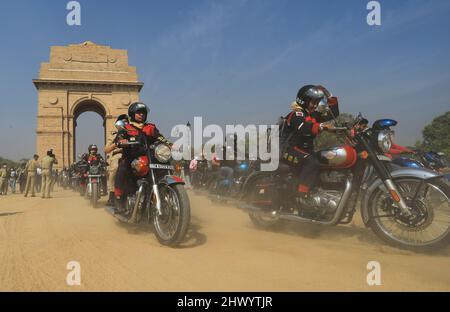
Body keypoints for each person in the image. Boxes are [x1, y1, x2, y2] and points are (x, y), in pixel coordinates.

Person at [105, 102, 171, 212]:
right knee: (121, 169)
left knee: (165, 166)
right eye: (138, 112)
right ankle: (119, 199)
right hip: (131, 158)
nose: (141, 115)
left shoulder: (150, 127)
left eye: (143, 113)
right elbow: (119, 138)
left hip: (149, 157)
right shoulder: (126, 128)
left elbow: (160, 138)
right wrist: (120, 142)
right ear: (132, 114)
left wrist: (171, 145)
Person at [281, 85, 340, 203]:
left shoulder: (313, 115)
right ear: (304, 101)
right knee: (312, 161)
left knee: (328, 157)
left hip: (306, 151)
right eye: (313, 102)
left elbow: (333, 113)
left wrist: (328, 95)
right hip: (290, 150)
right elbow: (303, 128)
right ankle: (301, 195)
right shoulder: (296, 115)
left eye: (317, 102)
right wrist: (321, 126)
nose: (315, 105)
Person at [104, 114, 129, 206]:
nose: (125, 123)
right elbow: (106, 149)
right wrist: (116, 144)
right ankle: (112, 194)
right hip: (119, 154)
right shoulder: (114, 134)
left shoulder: (134, 132)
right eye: (123, 121)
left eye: (127, 121)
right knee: (115, 168)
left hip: (134, 153)